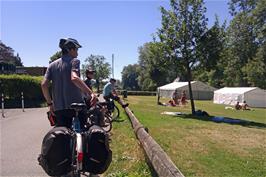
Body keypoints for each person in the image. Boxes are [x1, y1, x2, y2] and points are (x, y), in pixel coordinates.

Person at [41, 38, 97, 129]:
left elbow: (44, 85)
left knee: (63, 135)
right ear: (70, 49)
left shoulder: (51, 65)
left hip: (59, 109)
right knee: (82, 133)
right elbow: (74, 78)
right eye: (76, 50)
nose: (77, 53)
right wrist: (91, 93)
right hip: (76, 108)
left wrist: (50, 104)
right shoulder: (74, 61)